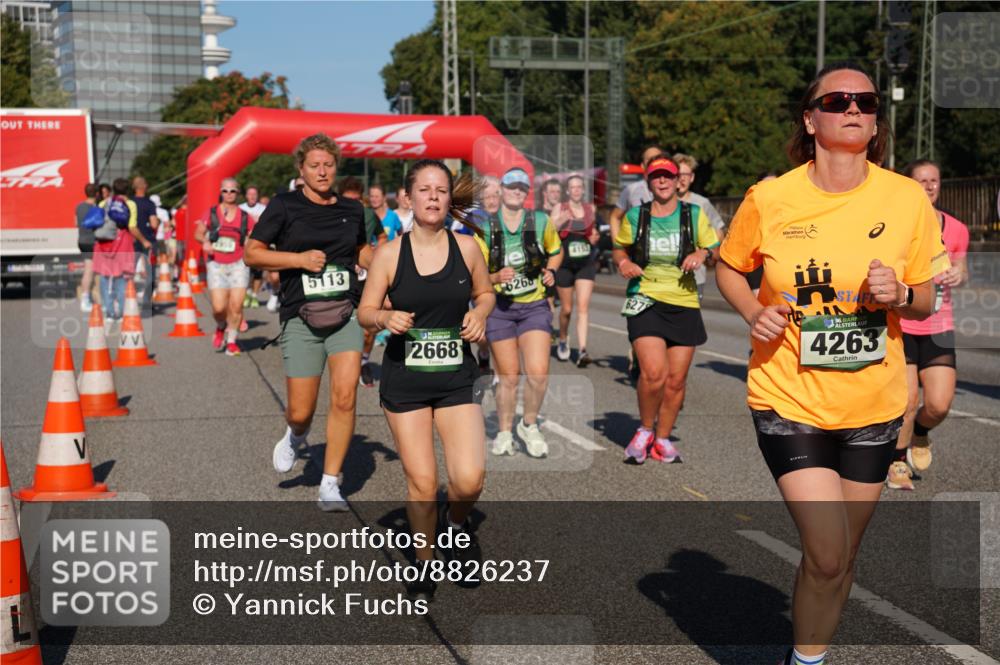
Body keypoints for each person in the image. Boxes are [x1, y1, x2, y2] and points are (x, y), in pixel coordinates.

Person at [715, 62, 944, 665]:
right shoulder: (771, 197)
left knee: (841, 557)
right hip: (788, 397)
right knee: (825, 551)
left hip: (873, 405)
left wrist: (901, 294)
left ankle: (806, 655)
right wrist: (750, 310)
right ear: (810, 118)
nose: (854, 109)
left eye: (866, 103)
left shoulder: (903, 199)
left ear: (875, 123)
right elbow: (728, 266)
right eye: (838, 99)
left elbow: (927, 293)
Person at [357, 160, 495, 601]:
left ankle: (456, 528)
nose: (433, 197)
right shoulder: (389, 254)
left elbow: (486, 292)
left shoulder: (467, 248)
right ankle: (424, 561)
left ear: (448, 199)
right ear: (409, 199)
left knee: (469, 479)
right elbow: (364, 311)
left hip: (456, 378)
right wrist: (384, 316)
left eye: (441, 190)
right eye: (425, 190)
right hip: (406, 382)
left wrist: (479, 313)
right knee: (421, 480)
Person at [245, 133, 372, 512]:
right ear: (300, 169)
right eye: (314, 165)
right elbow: (253, 253)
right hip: (301, 315)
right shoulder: (284, 205)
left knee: (345, 397)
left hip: (344, 313)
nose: (322, 171)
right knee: (301, 410)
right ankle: (296, 435)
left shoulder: (351, 209)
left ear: (336, 168)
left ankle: (330, 483)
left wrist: (384, 262)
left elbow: (360, 250)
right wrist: (298, 261)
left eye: (328, 165)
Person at [613, 156, 719, 465]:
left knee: (676, 380)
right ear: (648, 181)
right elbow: (620, 247)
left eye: (668, 176)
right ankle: (645, 429)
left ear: (677, 181)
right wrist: (623, 262)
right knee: (654, 373)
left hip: (683, 301)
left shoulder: (693, 214)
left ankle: (662, 438)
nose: (662, 181)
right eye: (656, 176)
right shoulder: (637, 216)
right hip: (645, 298)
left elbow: (714, 247)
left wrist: (701, 253)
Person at [886, 159, 970, 490]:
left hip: (938, 326)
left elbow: (962, 269)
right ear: (909, 185)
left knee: (938, 404)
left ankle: (921, 432)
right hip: (903, 325)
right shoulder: (895, 227)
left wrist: (960, 273)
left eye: (934, 180)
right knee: (906, 403)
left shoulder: (957, 229)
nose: (929, 185)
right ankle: (897, 462)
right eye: (921, 180)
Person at [480, 167, 562, 458]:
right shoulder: (486, 227)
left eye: (522, 188)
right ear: (502, 189)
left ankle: (529, 424)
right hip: (500, 309)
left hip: (534, 305)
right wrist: (493, 278)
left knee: (539, 372)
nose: (516, 191)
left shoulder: (540, 221)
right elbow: (475, 273)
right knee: (509, 377)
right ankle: (504, 431)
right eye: (512, 186)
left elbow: (556, 249)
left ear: (528, 194)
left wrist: (551, 269)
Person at [611, 145, 663, 378]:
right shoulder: (632, 190)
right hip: (638, 261)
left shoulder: (668, 184)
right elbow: (614, 216)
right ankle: (640, 352)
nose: (653, 163)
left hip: (666, 262)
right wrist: (619, 245)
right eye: (649, 160)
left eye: (657, 159)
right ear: (642, 166)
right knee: (640, 311)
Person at [193, 178, 252, 356]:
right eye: (225, 191)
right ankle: (220, 327)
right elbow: (198, 233)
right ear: (221, 192)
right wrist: (205, 242)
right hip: (216, 264)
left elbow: (252, 237)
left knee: (236, 305)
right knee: (219, 308)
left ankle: (232, 341)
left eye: (232, 191)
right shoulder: (211, 212)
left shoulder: (244, 216)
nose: (229, 194)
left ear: (238, 193)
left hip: (238, 264)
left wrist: (251, 246)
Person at [339, 177, 387, 387]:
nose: (352, 206)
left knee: (369, 329)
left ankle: (364, 362)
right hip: (341, 278)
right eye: (348, 201)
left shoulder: (368, 215)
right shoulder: (331, 216)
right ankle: (344, 363)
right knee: (343, 326)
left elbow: (382, 236)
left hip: (365, 277)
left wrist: (375, 252)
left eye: (356, 201)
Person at [552, 174, 600, 367]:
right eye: (573, 187)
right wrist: (562, 220)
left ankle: (582, 350)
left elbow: (593, 233)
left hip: (585, 263)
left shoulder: (591, 209)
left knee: (583, 308)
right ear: (567, 190)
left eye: (580, 187)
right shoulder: (560, 208)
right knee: (566, 309)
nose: (577, 190)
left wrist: (594, 237)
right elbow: (549, 230)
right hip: (564, 264)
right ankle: (563, 339)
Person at [673, 153, 727, 301]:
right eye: (678, 174)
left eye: (686, 174)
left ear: (692, 177)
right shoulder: (661, 203)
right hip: (667, 276)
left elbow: (719, 230)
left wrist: (708, 253)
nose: (682, 178)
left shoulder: (701, 203)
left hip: (695, 276)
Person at [93, 178, 137, 329]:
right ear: (127, 190)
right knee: (122, 277)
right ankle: (122, 313)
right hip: (123, 243)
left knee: (105, 278)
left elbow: (96, 222)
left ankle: (109, 312)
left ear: (113, 189)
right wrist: (143, 241)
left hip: (104, 243)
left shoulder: (103, 203)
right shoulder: (130, 204)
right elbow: (131, 226)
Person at [745, 171, 781, 295]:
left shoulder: (793, 214)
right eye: (765, 187)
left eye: (774, 186)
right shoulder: (751, 215)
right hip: (758, 270)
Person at [129, 177, 159, 307]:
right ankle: (147, 301)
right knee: (150, 272)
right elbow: (154, 224)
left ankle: (128, 298)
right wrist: (158, 221)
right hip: (148, 240)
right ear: (144, 187)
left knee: (129, 271)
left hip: (131, 240)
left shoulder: (129, 203)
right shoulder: (149, 203)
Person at [240, 185, 268, 308]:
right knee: (246, 272)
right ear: (246, 196)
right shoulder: (240, 208)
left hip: (259, 244)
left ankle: (255, 296)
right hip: (244, 244)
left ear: (257, 196)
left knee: (257, 272)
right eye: (250, 194)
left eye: (254, 194)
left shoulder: (264, 208)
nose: (252, 196)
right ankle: (247, 293)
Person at [76, 182, 99, 312]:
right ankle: (88, 298)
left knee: (88, 268)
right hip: (93, 241)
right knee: (93, 271)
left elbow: (75, 223)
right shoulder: (96, 208)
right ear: (96, 194)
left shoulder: (79, 206)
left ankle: (86, 297)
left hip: (82, 240)